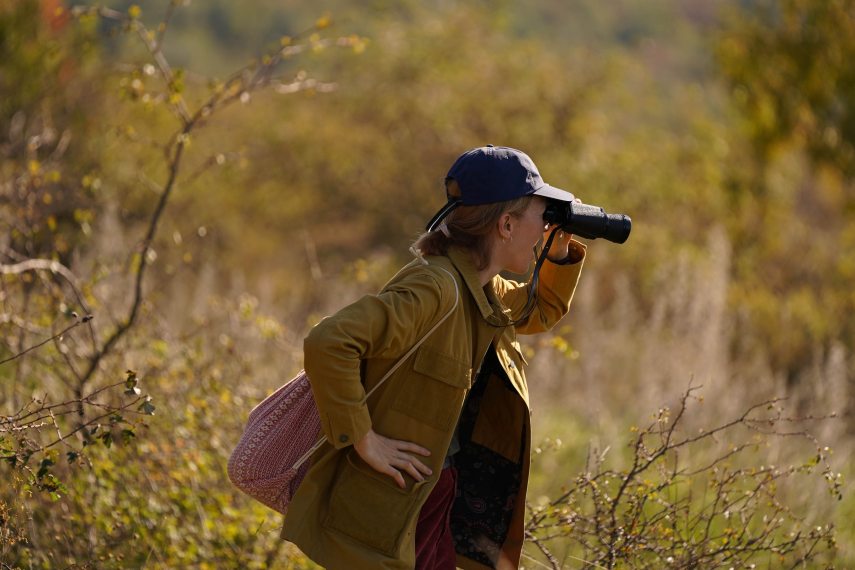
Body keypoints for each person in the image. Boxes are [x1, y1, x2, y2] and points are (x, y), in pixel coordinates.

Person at [281, 145, 587, 569]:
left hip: (430, 494)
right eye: (541, 216)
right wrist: (363, 439)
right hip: (398, 501)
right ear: (506, 223)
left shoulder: (482, 289)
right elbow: (329, 342)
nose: (544, 229)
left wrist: (557, 253)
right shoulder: (435, 287)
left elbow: (539, 309)